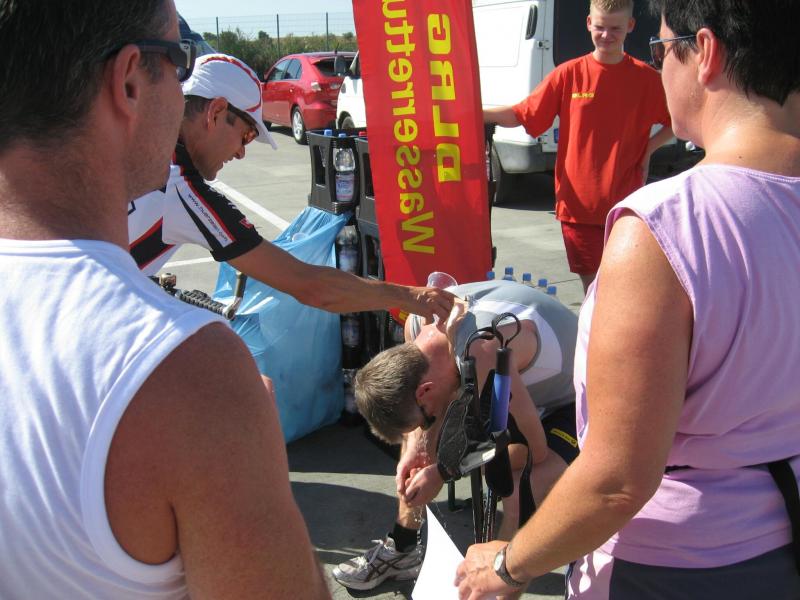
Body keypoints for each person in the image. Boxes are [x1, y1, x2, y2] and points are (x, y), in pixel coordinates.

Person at [456, 0, 800, 598]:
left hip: (672, 565)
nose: (659, 68)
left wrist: (509, 565)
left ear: (706, 53)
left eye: (662, 51)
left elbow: (617, 481)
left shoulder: (669, 227)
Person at [0, 1, 329, 598]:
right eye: (179, 64)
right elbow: (305, 283)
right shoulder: (195, 376)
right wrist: (249, 460)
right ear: (129, 81)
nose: (184, 95)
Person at [128, 53, 454, 321]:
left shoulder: (131, 138)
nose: (241, 153)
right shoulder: (181, 187)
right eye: (246, 135)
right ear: (216, 112)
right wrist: (411, 297)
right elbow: (311, 286)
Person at [333, 280, 579, 591]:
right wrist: (419, 449)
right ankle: (403, 545)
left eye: (424, 417)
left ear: (424, 391)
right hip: (513, 387)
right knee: (428, 446)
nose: (425, 425)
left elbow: (534, 450)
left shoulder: (484, 351)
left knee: (521, 487)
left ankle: (493, 590)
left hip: (574, 399)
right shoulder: (417, 324)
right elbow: (432, 416)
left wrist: (445, 470)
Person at [484, 0, 674, 294]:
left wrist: (649, 148)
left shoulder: (646, 80)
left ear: (630, 26)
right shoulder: (568, 74)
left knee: (626, 290)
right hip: (578, 209)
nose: (606, 35)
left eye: (615, 28)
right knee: (594, 291)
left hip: (627, 207)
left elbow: (678, 120)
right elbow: (522, 114)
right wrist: (474, 113)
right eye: (600, 27)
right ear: (588, 23)